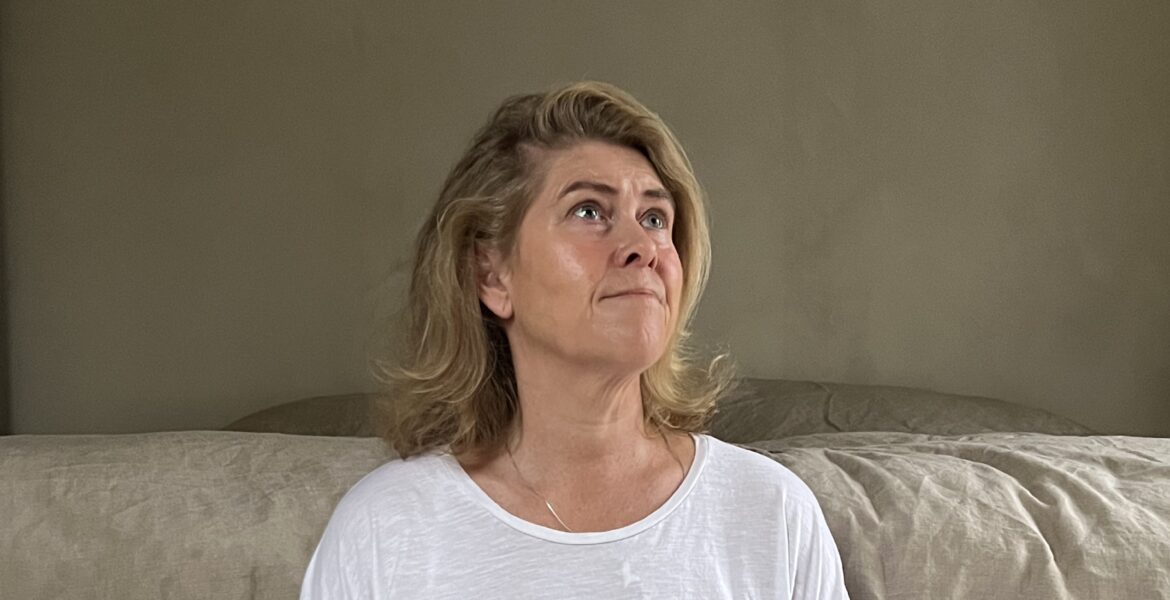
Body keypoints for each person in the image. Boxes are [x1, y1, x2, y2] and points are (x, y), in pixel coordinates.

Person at [300, 81, 849, 598]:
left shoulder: (772, 514)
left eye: (655, 218)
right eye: (589, 211)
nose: (642, 247)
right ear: (491, 275)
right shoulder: (385, 530)